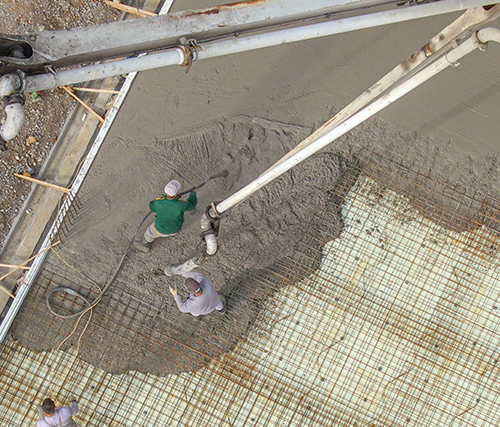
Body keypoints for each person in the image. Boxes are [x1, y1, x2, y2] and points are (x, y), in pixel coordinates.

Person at [135, 179, 198, 252]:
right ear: (176, 194)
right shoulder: (182, 204)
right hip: (175, 229)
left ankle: (146, 244)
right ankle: (169, 234)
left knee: (149, 233)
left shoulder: (158, 202)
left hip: (160, 229)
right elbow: (192, 205)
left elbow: (152, 207)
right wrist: (193, 193)